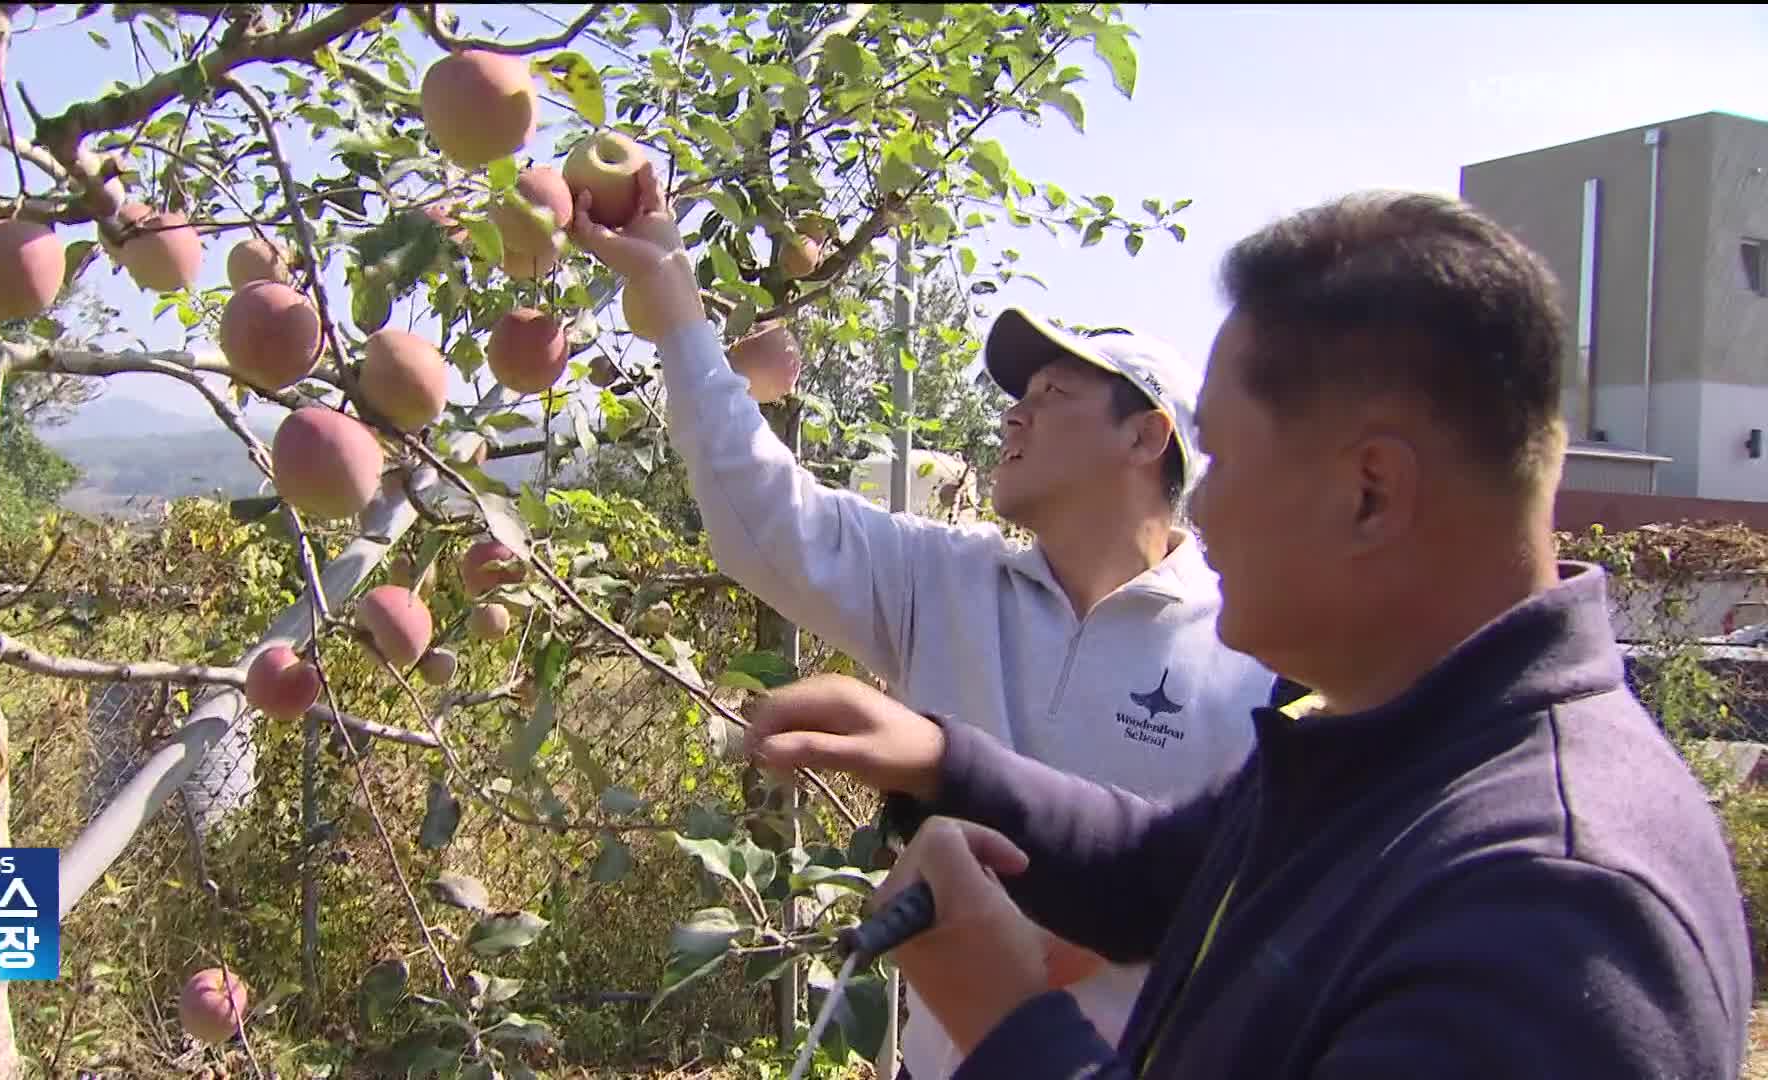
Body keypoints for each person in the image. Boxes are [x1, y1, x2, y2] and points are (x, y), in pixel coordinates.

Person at [742, 190, 1756, 1078]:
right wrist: (941, 759)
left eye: (1220, 460)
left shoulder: (1554, 920)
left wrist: (1008, 1029)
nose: (1203, 514)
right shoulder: (1394, 751)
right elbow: (1161, 872)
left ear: (1371, 492)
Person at [571, 171, 1281, 1079]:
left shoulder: (1249, 652)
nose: (1015, 410)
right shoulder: (945, 577)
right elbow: (764, 513)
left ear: (1146, 439)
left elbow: (1218, 894)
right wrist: (671, 294)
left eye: (1056, 393)